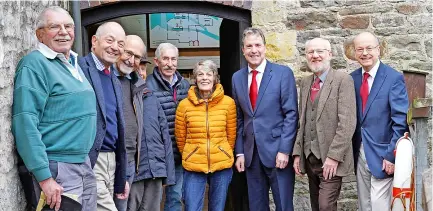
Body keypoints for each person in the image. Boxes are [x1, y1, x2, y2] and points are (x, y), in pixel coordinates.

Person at [12, 6, 97, 211]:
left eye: (68, 26)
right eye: (54, 27)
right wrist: (45, 177)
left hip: (82, 163)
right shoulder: (35, 64)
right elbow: (25, 122)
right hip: (57, 167)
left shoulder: (73, 62)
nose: (63, 31)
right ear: (40, 34)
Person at [231, 27, 298, 211]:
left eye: (258, 45)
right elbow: (239, 118)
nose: (254, 50)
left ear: (265, 47)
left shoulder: (283, 74)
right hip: (251, 155)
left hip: (278, 153)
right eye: (249, 46)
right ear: (243, 50)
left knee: (283, 205)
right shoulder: (237, 78)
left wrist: (285, 150)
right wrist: (240, 152)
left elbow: (291, 114)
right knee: (257, 206)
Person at [292, 38, 356, 211]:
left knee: (325, 206)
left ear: (330, 54)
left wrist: (334, 157)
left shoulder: (343, 80)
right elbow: (302, 121)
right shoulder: (306, 82)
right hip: (309, 158)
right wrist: (298, 153)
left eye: (320, 51)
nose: (315, 56)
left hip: (330, 160)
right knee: (316, 206)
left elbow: (348, 123)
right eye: (311, 52)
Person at [350, 32, 409, 211]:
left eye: (369, 48)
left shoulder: (393, 78)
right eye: (360, 49)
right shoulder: (351, 79)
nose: (365, 53)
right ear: (354, 53)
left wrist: (391, 155)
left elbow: (400, 120)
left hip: (383, 153)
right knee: (364, 204)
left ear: (378, 50)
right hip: (359, 152)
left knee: (379, 205)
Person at [175, 60, 237, 211]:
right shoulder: (184, 105)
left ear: (215, 78)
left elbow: (231, 135)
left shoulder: (228, 103)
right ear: (195, 78)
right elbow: (181, 136)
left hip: (221, 165)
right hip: (194, 166)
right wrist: (191, 153)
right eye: (200, 74)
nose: (204, 78)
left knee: (217, 208)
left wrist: (223, 151)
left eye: (209, 74)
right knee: (192, 207)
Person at [78, 22, 127, 211]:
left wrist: (122, 174)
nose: (115, 47)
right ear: (94, 41)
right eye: (110, 40)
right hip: (91, 158)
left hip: (111, 160)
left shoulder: (113, 77)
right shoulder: (79, 69)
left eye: (120, 44)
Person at [146, 42, 190, 211]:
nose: (169, 63)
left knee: (175, 197)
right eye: (165, 59)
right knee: (153, 199)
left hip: (178, 153)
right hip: (156, 154)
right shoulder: (147, 85)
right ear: (156, 61)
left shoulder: (185, 85)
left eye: (173, 59)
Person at [128, 64, 176, 211]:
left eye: (142, 69)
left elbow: (165, 136)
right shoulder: (123, 96)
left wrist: (168, 173)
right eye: (136, 69)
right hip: (134, 173)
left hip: (156, 169)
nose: (140, 73)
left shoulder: (151, 97)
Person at [110, 35, 147, 211]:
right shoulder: (105, 77)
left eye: (137, 57)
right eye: (128, 53)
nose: (131, 60)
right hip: (108, 159)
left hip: (129, 160)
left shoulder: (136, 82)